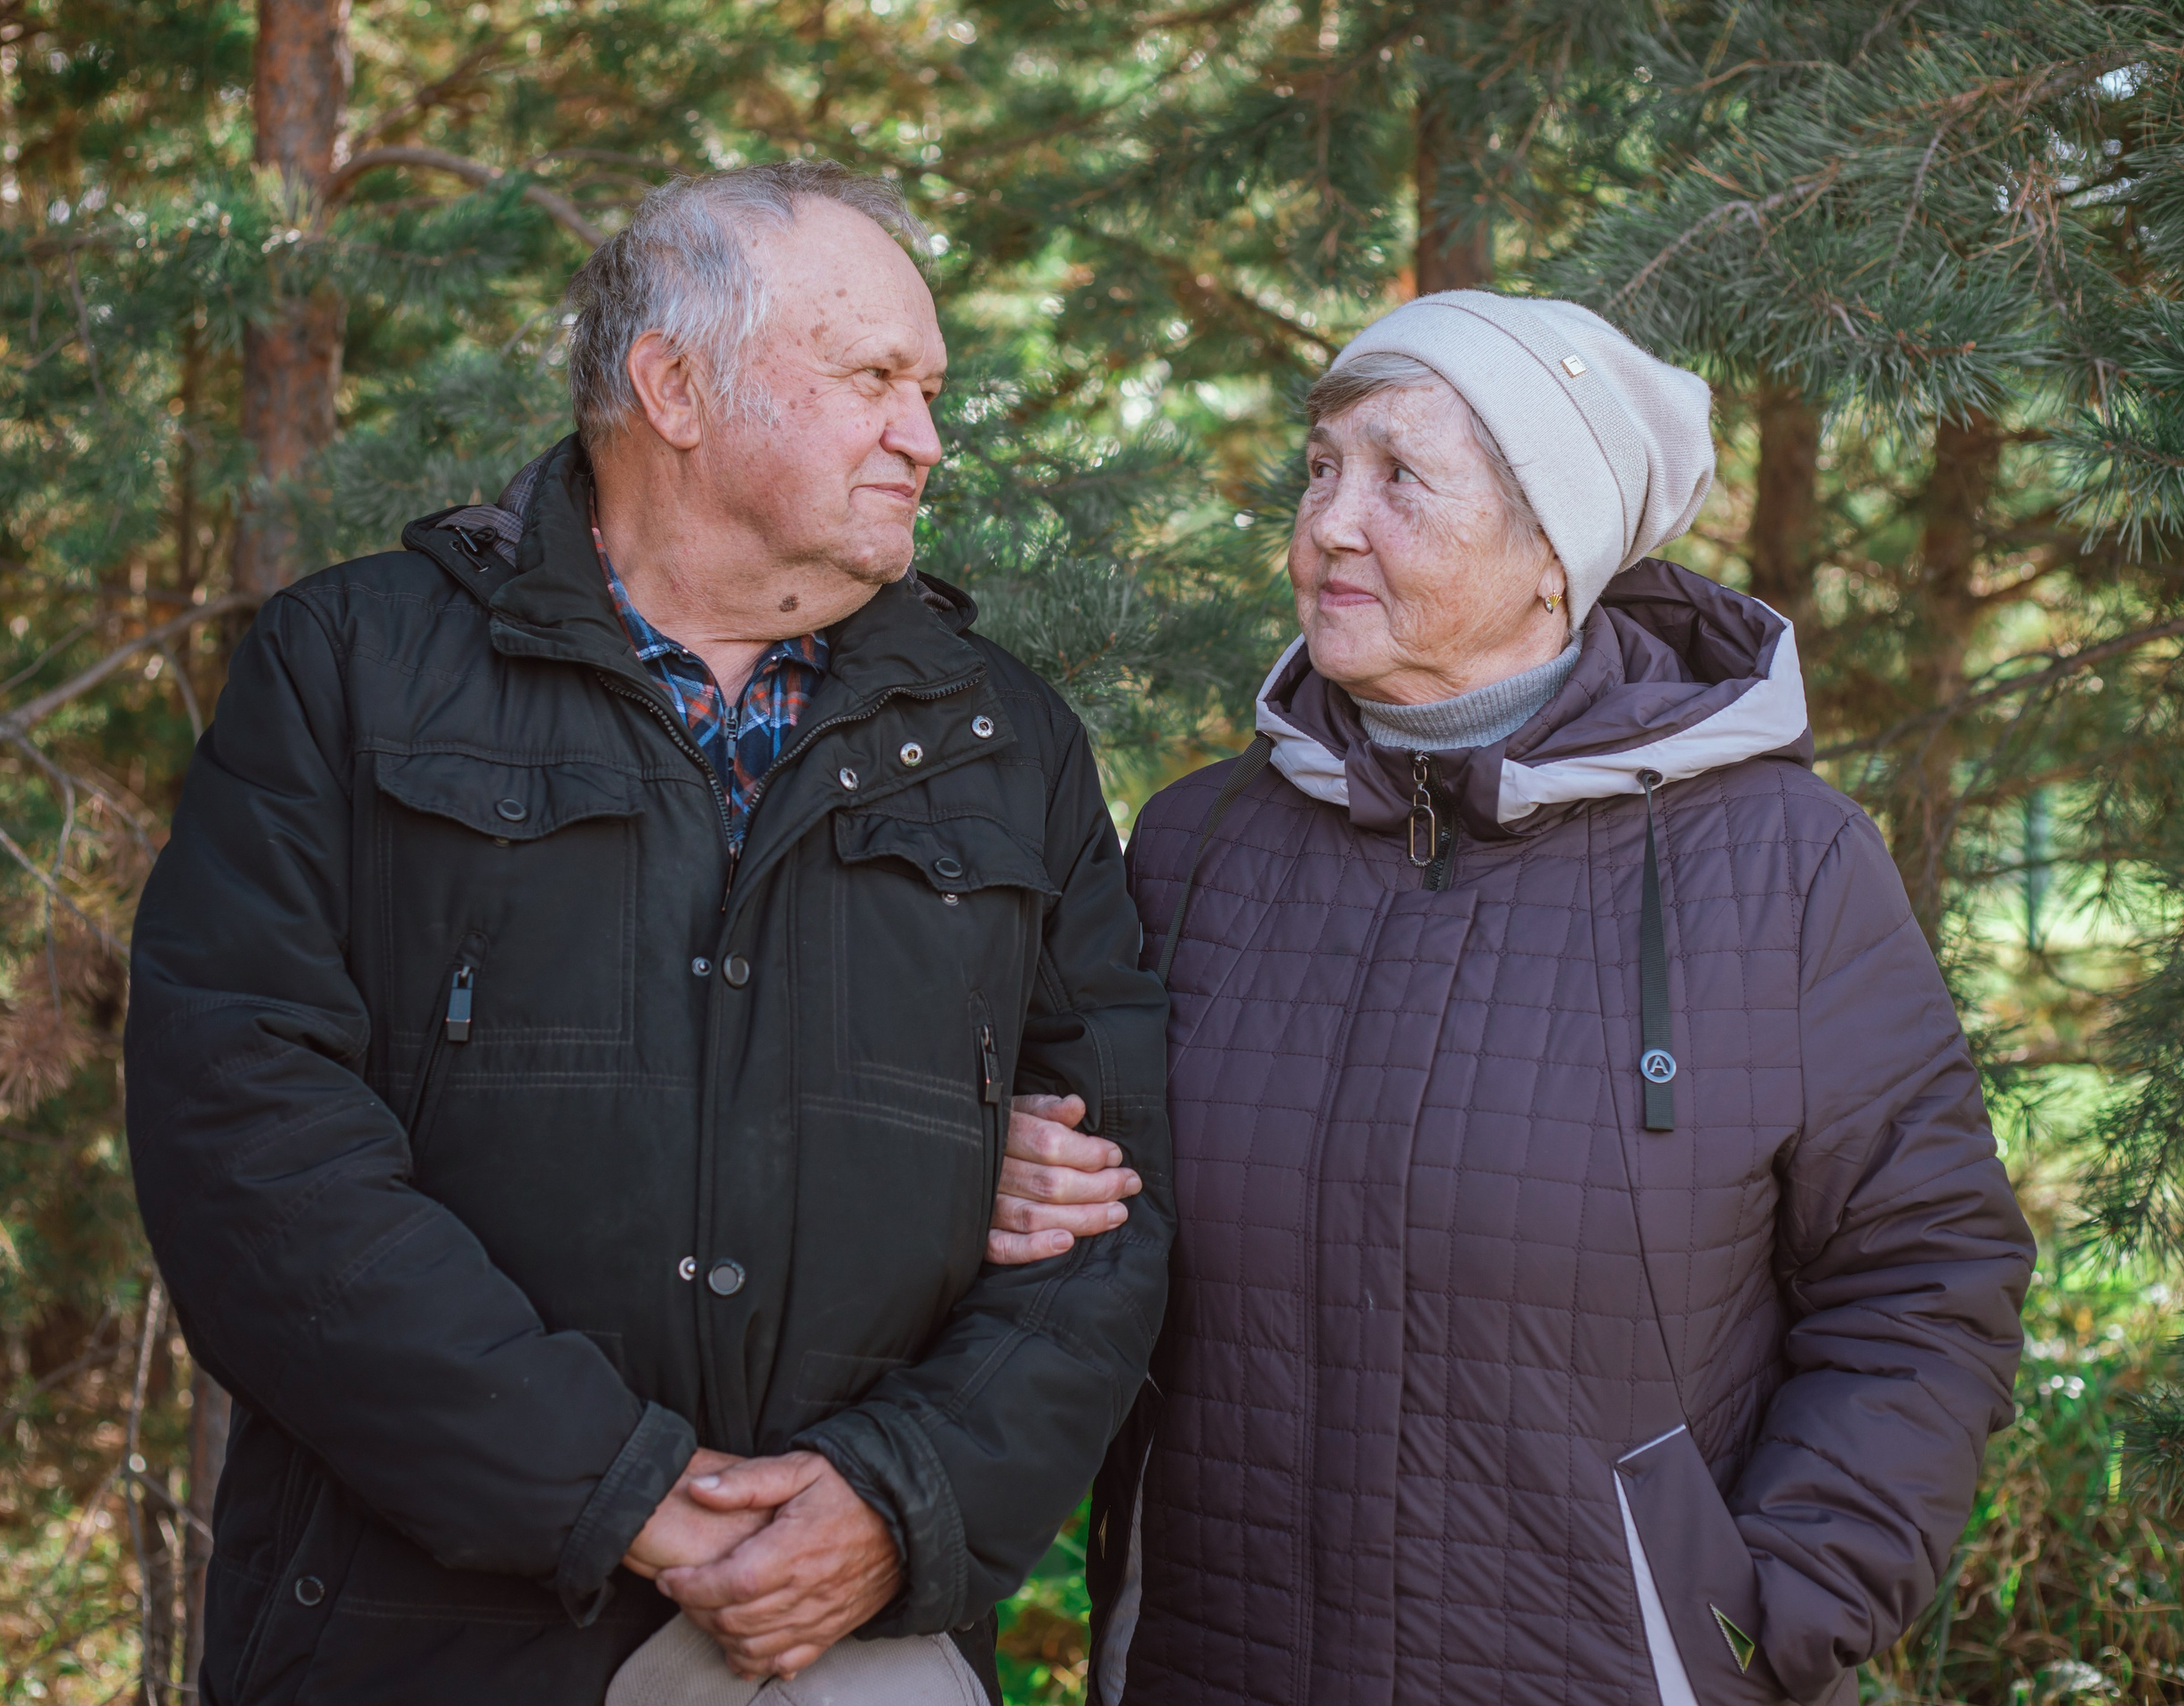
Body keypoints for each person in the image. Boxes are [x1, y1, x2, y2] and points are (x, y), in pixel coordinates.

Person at [124, 161, 1171, 1706]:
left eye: (930, 390)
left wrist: (898, 1503)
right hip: (416, 1646)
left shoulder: (1008, 744)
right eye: (872, 379)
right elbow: (246, 1140)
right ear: (673, 388)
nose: (924, 437)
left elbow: (1111, 1210)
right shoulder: (351, 668)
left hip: (852, 1652)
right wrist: (619, 1492)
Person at [1063, 291, 2035, 1705]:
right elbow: (1086, 1221)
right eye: (1322, 468)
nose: (1330, 523)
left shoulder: (1783, 865)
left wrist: (1770, 1621)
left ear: (1553, 558)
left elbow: (1922, 1283)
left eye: (1401, 477)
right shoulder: (1200, 842)